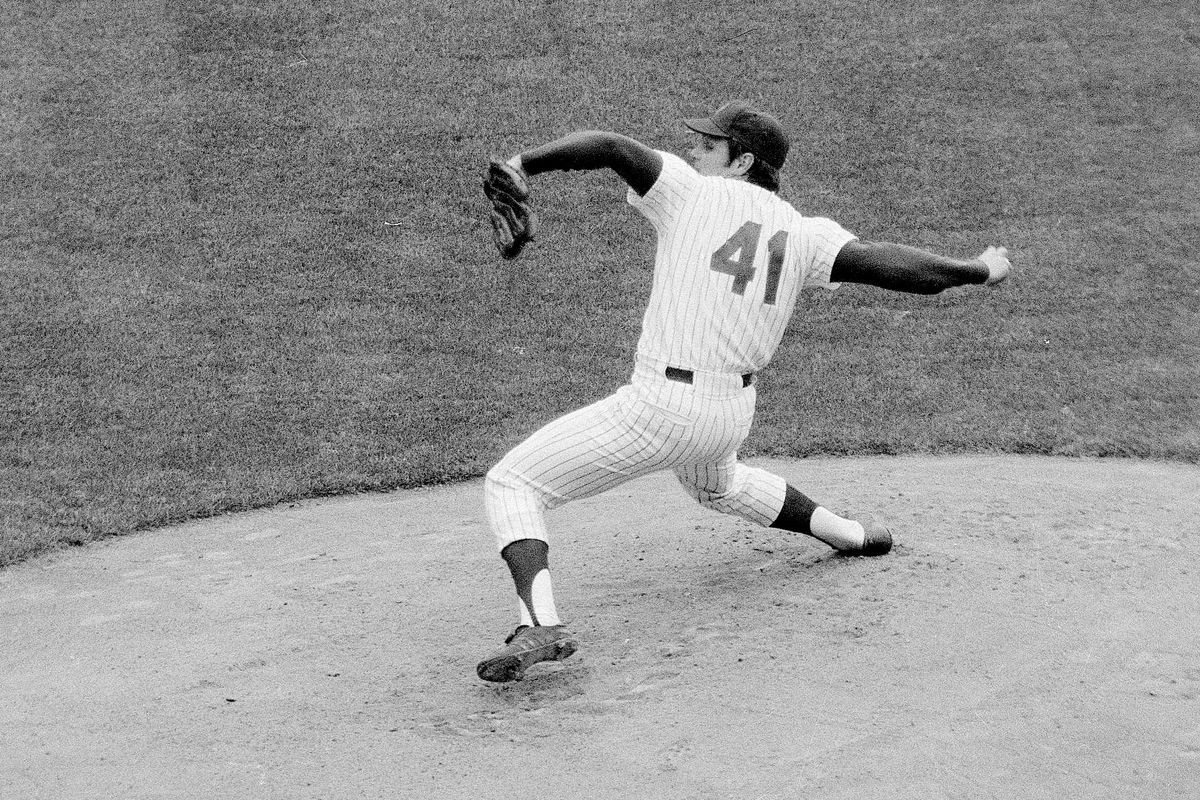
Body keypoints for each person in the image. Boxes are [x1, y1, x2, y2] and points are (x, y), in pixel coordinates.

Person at [476, 100, 1011, 683]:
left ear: (743, 161)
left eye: (709, 146)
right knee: (720, 486)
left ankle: (540, 624)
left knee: (513, 482)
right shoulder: (807, 234)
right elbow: (900, 268)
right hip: (728, 414)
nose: (692, 153)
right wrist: (978, 268)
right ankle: (854, 536)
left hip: (661, 409)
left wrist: (522, 164)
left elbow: (610, 147)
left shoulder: (688, 193)